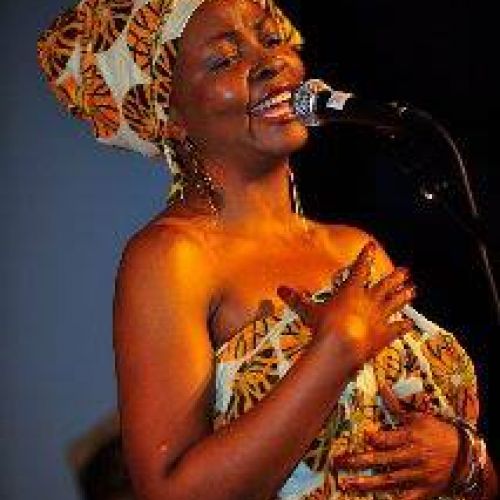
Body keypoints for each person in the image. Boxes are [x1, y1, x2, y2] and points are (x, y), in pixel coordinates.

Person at [38, 0, 498, 498]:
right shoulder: (173, 258)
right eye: (224, 59)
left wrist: (463, 460)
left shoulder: (354, 247)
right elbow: (171, 492)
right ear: (171, 116)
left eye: (271, 39)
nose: (270, 61)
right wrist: (333, 353)